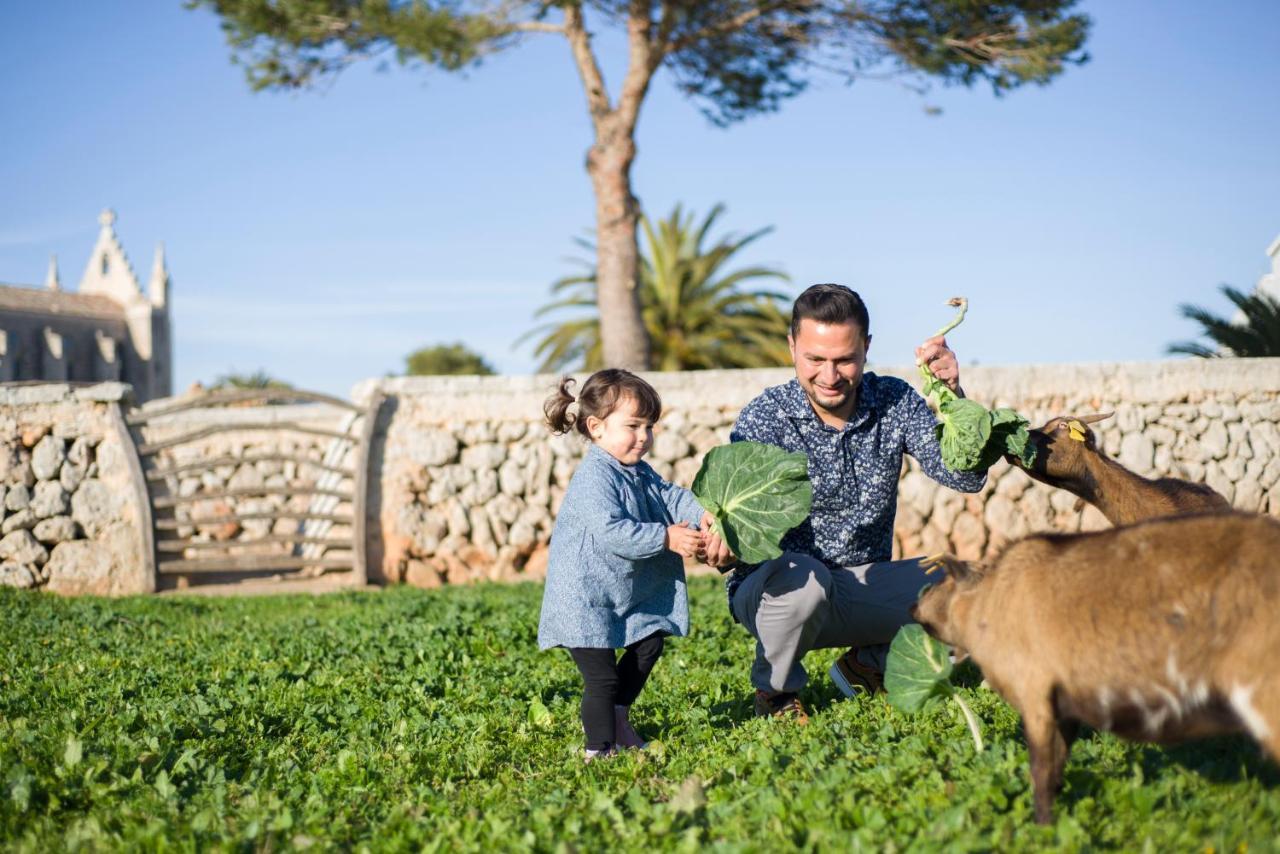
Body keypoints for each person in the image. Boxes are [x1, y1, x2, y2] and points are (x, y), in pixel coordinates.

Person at [703, 283, 988, 722]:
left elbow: (965, 476)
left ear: (866, 348)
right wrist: (722, 536)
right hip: (779, 594)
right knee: (808, 580)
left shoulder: (894, 402)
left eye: (845, 360)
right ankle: (776, 694)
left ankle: (866, 666)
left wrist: (952, 393)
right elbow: (733, 516)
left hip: (864, 584)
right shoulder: (767, 416)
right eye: (815, 359)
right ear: (792, 346)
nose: (830, 376)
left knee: (978, 591)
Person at [538, 369, 712, 760]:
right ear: (596, 428)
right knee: (602, 678)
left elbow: (671, 497)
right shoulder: (594, 477)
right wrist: (666, 537)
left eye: (649, 426)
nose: (643, 436)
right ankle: (598, 749)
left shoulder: (639, 471)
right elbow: (612, 531)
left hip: (621, 591)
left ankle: (618, 720)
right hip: (584, 597)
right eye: (633, 425)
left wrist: (704, 515)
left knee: (649, 642)